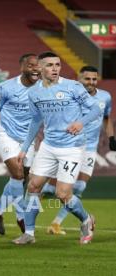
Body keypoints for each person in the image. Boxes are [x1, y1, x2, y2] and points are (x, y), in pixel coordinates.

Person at [13, 52, 100, 245]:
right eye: (50, 65)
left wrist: (81, 122)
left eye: (57, 65)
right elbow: (35, 121)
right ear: (40, 68)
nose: (55, 68)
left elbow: (95, 109)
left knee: (63, 194)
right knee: (33, 186)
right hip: (49, 146)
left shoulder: (72, 86)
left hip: (72, 147)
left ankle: (86, 220)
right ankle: (29, 233)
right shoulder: (35, 92)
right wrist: (24, 148)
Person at [41, 65, 115, 235]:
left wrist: (111, 137)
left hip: (89, 149)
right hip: (69, 147)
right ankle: (26, 214)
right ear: (78, 79)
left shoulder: (105, 97)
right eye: (87, 79)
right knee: (50, 190)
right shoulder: (68, 94)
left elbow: (106, 118)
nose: (91, 82)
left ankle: (56, 224)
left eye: (94, 79)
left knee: (79, 187)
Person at [0, 54, 40, 235]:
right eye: (31, 65)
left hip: (28, 138)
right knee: (17, 173)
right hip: (6, 133)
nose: (35, 69)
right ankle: (21, 216)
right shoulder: (6, 87)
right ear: (22, 67)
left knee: (21, 177)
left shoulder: (44, 89)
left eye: (38, 66)